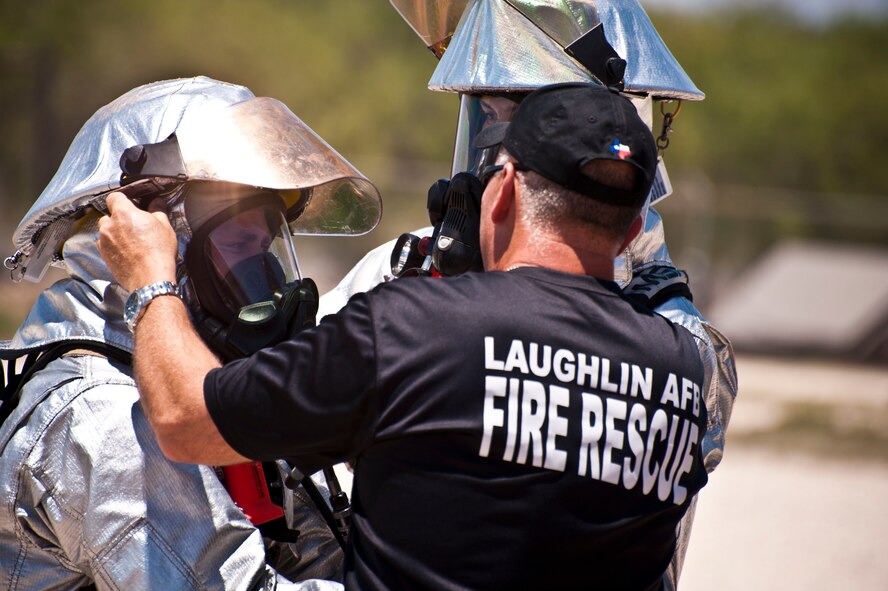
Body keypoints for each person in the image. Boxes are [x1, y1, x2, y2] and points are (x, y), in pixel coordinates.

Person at [97, 82, 711, 591]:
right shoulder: (686, 370)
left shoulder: (415, 326)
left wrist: (151, 278)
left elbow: (184, 419)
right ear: (631, 232)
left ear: (500, 192)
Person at [326, 2, 739, 586]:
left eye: (510, 128)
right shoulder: (409, 266)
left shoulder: (676, 337)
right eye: (486, 124)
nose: (495, 162)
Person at [0, 76, 383, 590]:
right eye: (240, 242)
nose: (265, 277)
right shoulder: (102, 419)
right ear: (154, 238)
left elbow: (312, 551)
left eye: (266, 245)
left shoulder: (201, 378)